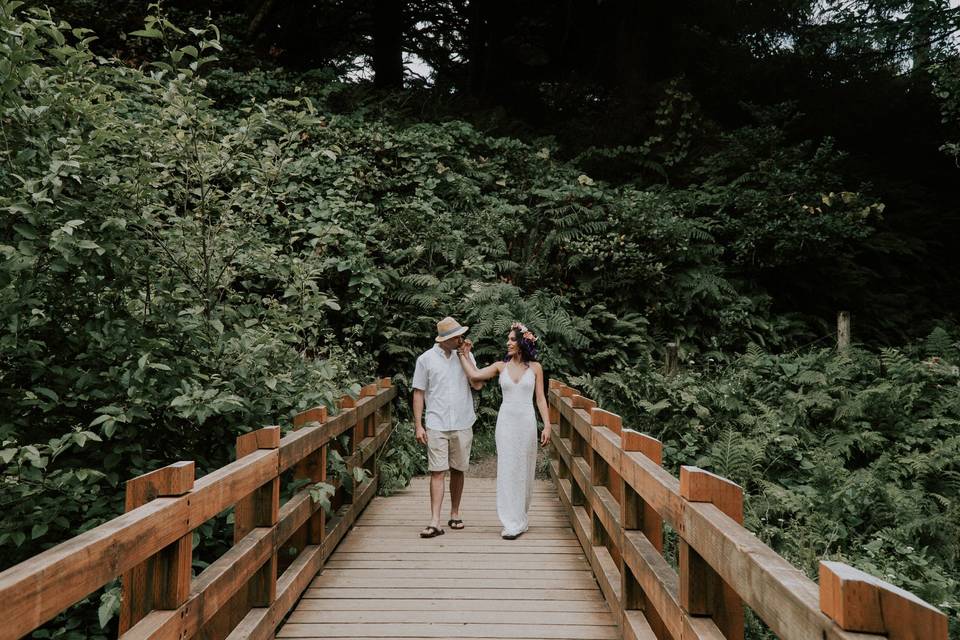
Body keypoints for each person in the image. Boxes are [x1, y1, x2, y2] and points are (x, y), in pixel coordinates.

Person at [456, 322, 551, 539]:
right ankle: (510, 522)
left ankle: (521, 517)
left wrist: (546, 425)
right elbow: (475, 375)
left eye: (512, 339)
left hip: (526, 422)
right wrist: (463, 354)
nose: (507, 343)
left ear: (523, 343)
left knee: (525, 469)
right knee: (508, 468)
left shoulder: (535, 368)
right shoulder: (500, 366)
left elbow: (540, 398)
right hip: (506, 422)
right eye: (507, 339)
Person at [412, 316, 484, 538]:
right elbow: (419, 392)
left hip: (463, 420)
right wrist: (418, 425)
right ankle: (435, 520)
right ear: (444, 339)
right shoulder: (425, 360)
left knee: (458, 470)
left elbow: (478, 384)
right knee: (437, 471)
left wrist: (465, 356)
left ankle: (455, 513)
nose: (460, 339)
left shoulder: (465, 355)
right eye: (456, 337)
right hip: (436, 422)